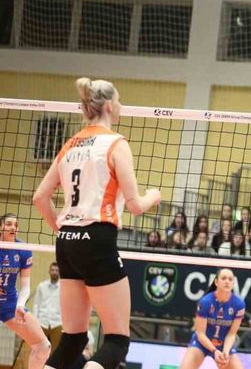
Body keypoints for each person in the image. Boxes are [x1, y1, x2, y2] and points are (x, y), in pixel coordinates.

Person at [32, 77, 161, 369]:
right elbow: (135, 206)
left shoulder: (70, 144)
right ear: (109, 106)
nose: (121, 105)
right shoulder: (116, 144)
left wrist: (64, 230)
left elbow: (40, 197)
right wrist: (153, 196)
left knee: (73, 339)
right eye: (119, 99)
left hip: (67, 241)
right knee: (117, 340)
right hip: (98, 238)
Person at [0, 214, 52, 368]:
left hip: (9, 304)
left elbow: (25, 285)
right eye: (9, 224)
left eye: (16, 225)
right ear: (1, 227)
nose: (13, 227)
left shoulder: (23, 249)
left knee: (43, 347)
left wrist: (20, 305)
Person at [180, 268, 245, 369]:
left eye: (230, 279)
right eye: (223, 278)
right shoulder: (205, 302)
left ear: (233, 283)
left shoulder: (239, 304)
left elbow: (232, 334)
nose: (227, 281)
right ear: (216, 282)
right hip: (202, 343)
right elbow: (200, 333)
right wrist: (214, 350)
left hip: (224, 344)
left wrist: (225, 352)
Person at [32, 261, 62, 349]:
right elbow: (36, 305)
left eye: (57, 270)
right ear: (49, 271)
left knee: (56, 351)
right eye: (52, 270)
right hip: (42, 323)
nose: (54, 272)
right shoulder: (41, 286)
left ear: (59, 272)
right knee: (39, 349)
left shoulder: (63, 288)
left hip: (57, 323)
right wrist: (35, 322)